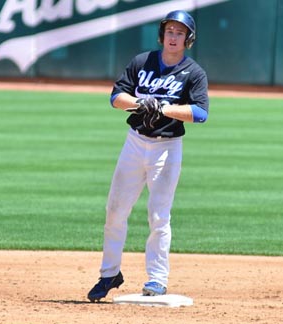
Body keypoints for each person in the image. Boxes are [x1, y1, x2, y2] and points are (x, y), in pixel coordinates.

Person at [87, 10, 209, 302]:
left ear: (188, 39)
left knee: (158, 215)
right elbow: (116, 97)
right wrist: (142, 102)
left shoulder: (193, 73)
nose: (173, 37)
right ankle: (109, 274)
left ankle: (157, 279)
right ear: (162, 34)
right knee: (115, 210)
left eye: (180, 33)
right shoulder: (142, 62)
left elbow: (201, 113)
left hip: (167, 148)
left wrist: (163, 108)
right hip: (134, 143)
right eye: (170, 31)